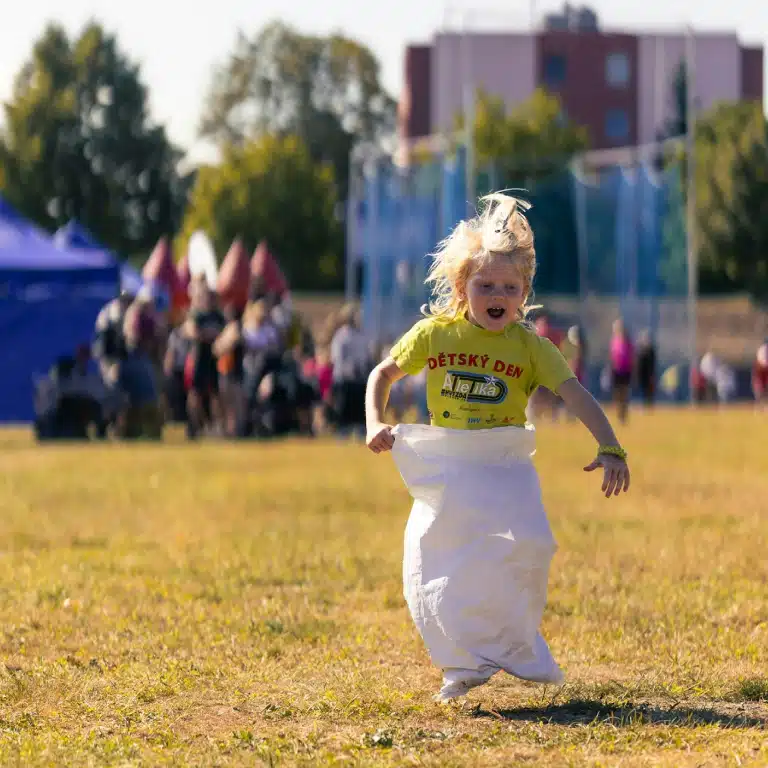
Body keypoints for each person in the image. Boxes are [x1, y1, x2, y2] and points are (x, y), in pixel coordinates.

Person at [364, 193, 630, 703]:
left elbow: (573, 393)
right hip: (449, 464)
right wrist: (375, 420)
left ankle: (514, 647)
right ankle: (462, 663)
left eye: (510, 287)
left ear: (524, 292)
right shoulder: (436, 334)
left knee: (529, 547)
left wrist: (611, 446)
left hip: (506, 465)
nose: (497, 294)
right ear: (463, 288)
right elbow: (383, 373)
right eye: (485, 285)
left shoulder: (531, 346)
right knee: (439, 557)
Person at [609, 318, 634, 423]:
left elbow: (632, 357)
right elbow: (612, 356)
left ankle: (624, 415)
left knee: (624, 393)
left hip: (626, 371)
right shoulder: (614, 341)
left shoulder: (628, 342)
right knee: (617, 394)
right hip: (616, 371)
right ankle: (619, 414)